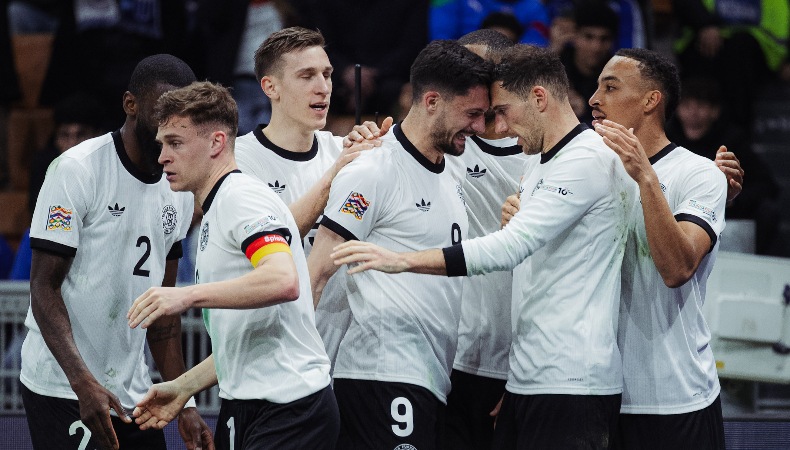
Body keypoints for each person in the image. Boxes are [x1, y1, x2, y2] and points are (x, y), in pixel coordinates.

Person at [331, 44, 636, 450]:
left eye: (503, 111)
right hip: (530, 378)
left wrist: (400, 260)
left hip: (574, 381)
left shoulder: (587, 159)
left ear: (539, 99)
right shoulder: (538, 162)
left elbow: (508, 249)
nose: (499, 126)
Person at [126, 80, 340, 449]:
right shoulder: (216, 208)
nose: (162, 156)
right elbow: (246, 334)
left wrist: (185, 297)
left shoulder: (241, 199)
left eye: (175, 143)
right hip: (252, 404)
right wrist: (182, 387)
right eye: (162, 144)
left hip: (291, 408)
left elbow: (283, 279)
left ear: (217, 143)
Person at [21, 54, 212, 450]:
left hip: (132, 392)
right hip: (62, 388)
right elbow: (42, 288)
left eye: (183, 112)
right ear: (131, 104)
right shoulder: (77, 170)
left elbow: (163, 319)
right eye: (163, 109)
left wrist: (185, 400)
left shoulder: (177, 190)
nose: (171, 123)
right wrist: (82, 381)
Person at [308, 39, 491, 450]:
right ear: (431, 101)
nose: (479, 127)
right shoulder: (374, 170)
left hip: (432, 377)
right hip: (380, 375)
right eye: (472, 114)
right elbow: (316, 272)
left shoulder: (453, 169)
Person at [591, 48, 731, 450]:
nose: (594, 99)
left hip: (675, 397)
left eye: (610, 87)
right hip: (594, 393)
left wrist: (645, 178)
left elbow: (677, 268)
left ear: (652, 100)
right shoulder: (587, 171)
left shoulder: (700, 173)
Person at [233, 26, 384, 372]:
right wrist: (337, 175)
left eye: (328, 75)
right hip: (268, 360)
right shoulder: (240, 160)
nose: (323, 87)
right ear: (270, 87)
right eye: (307, 76)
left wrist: (383, 157)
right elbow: (271, 241)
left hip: (346, 365)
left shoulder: (344, 151)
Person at [666, 77, 781, 255]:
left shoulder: (733, 140)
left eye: (701, 106)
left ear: (715, 111)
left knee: (768, 211)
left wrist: (731, 199)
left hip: (726, 217)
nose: (693, 113)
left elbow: (766, 185)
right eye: (686, 106)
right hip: (676, 212)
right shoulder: (668, 137)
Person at [560, 2, 619, 125]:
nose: (596, 47)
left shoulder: (618, 77)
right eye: (588, 37)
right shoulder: (556, 65)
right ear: (574, 35)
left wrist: (587, 111)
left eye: (604, 39)